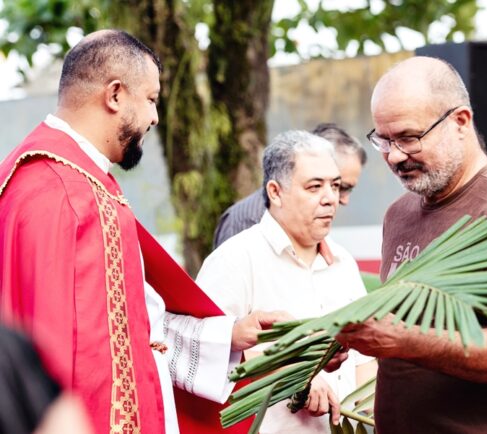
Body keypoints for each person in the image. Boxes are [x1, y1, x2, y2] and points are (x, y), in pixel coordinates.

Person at [0, 29, 287, 434]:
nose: (155, 117)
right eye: (151, 99)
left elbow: (131, 327)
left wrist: (229, 335)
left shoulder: (66, 181)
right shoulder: (64, 192)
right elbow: (61, 350)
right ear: (115, 95)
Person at [335, 57, 487, 433]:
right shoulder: (399, 214)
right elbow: (403, 328)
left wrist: (405, 341)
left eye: (409, 137)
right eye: (384, 140)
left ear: (460, 121)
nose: (394, 156)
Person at [197, 130, 376, 434]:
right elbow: (204, 350)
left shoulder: (343, 263)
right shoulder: (235, 259)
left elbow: (363, 360)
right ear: (276, 192)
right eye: (314, 187)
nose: (330, 199)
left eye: (335, 185)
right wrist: (293, 374)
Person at [212, 123, 367, 249]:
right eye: (316, 185)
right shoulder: (245, 223)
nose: (336, 199)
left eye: (335, 185)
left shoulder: (340, 259)